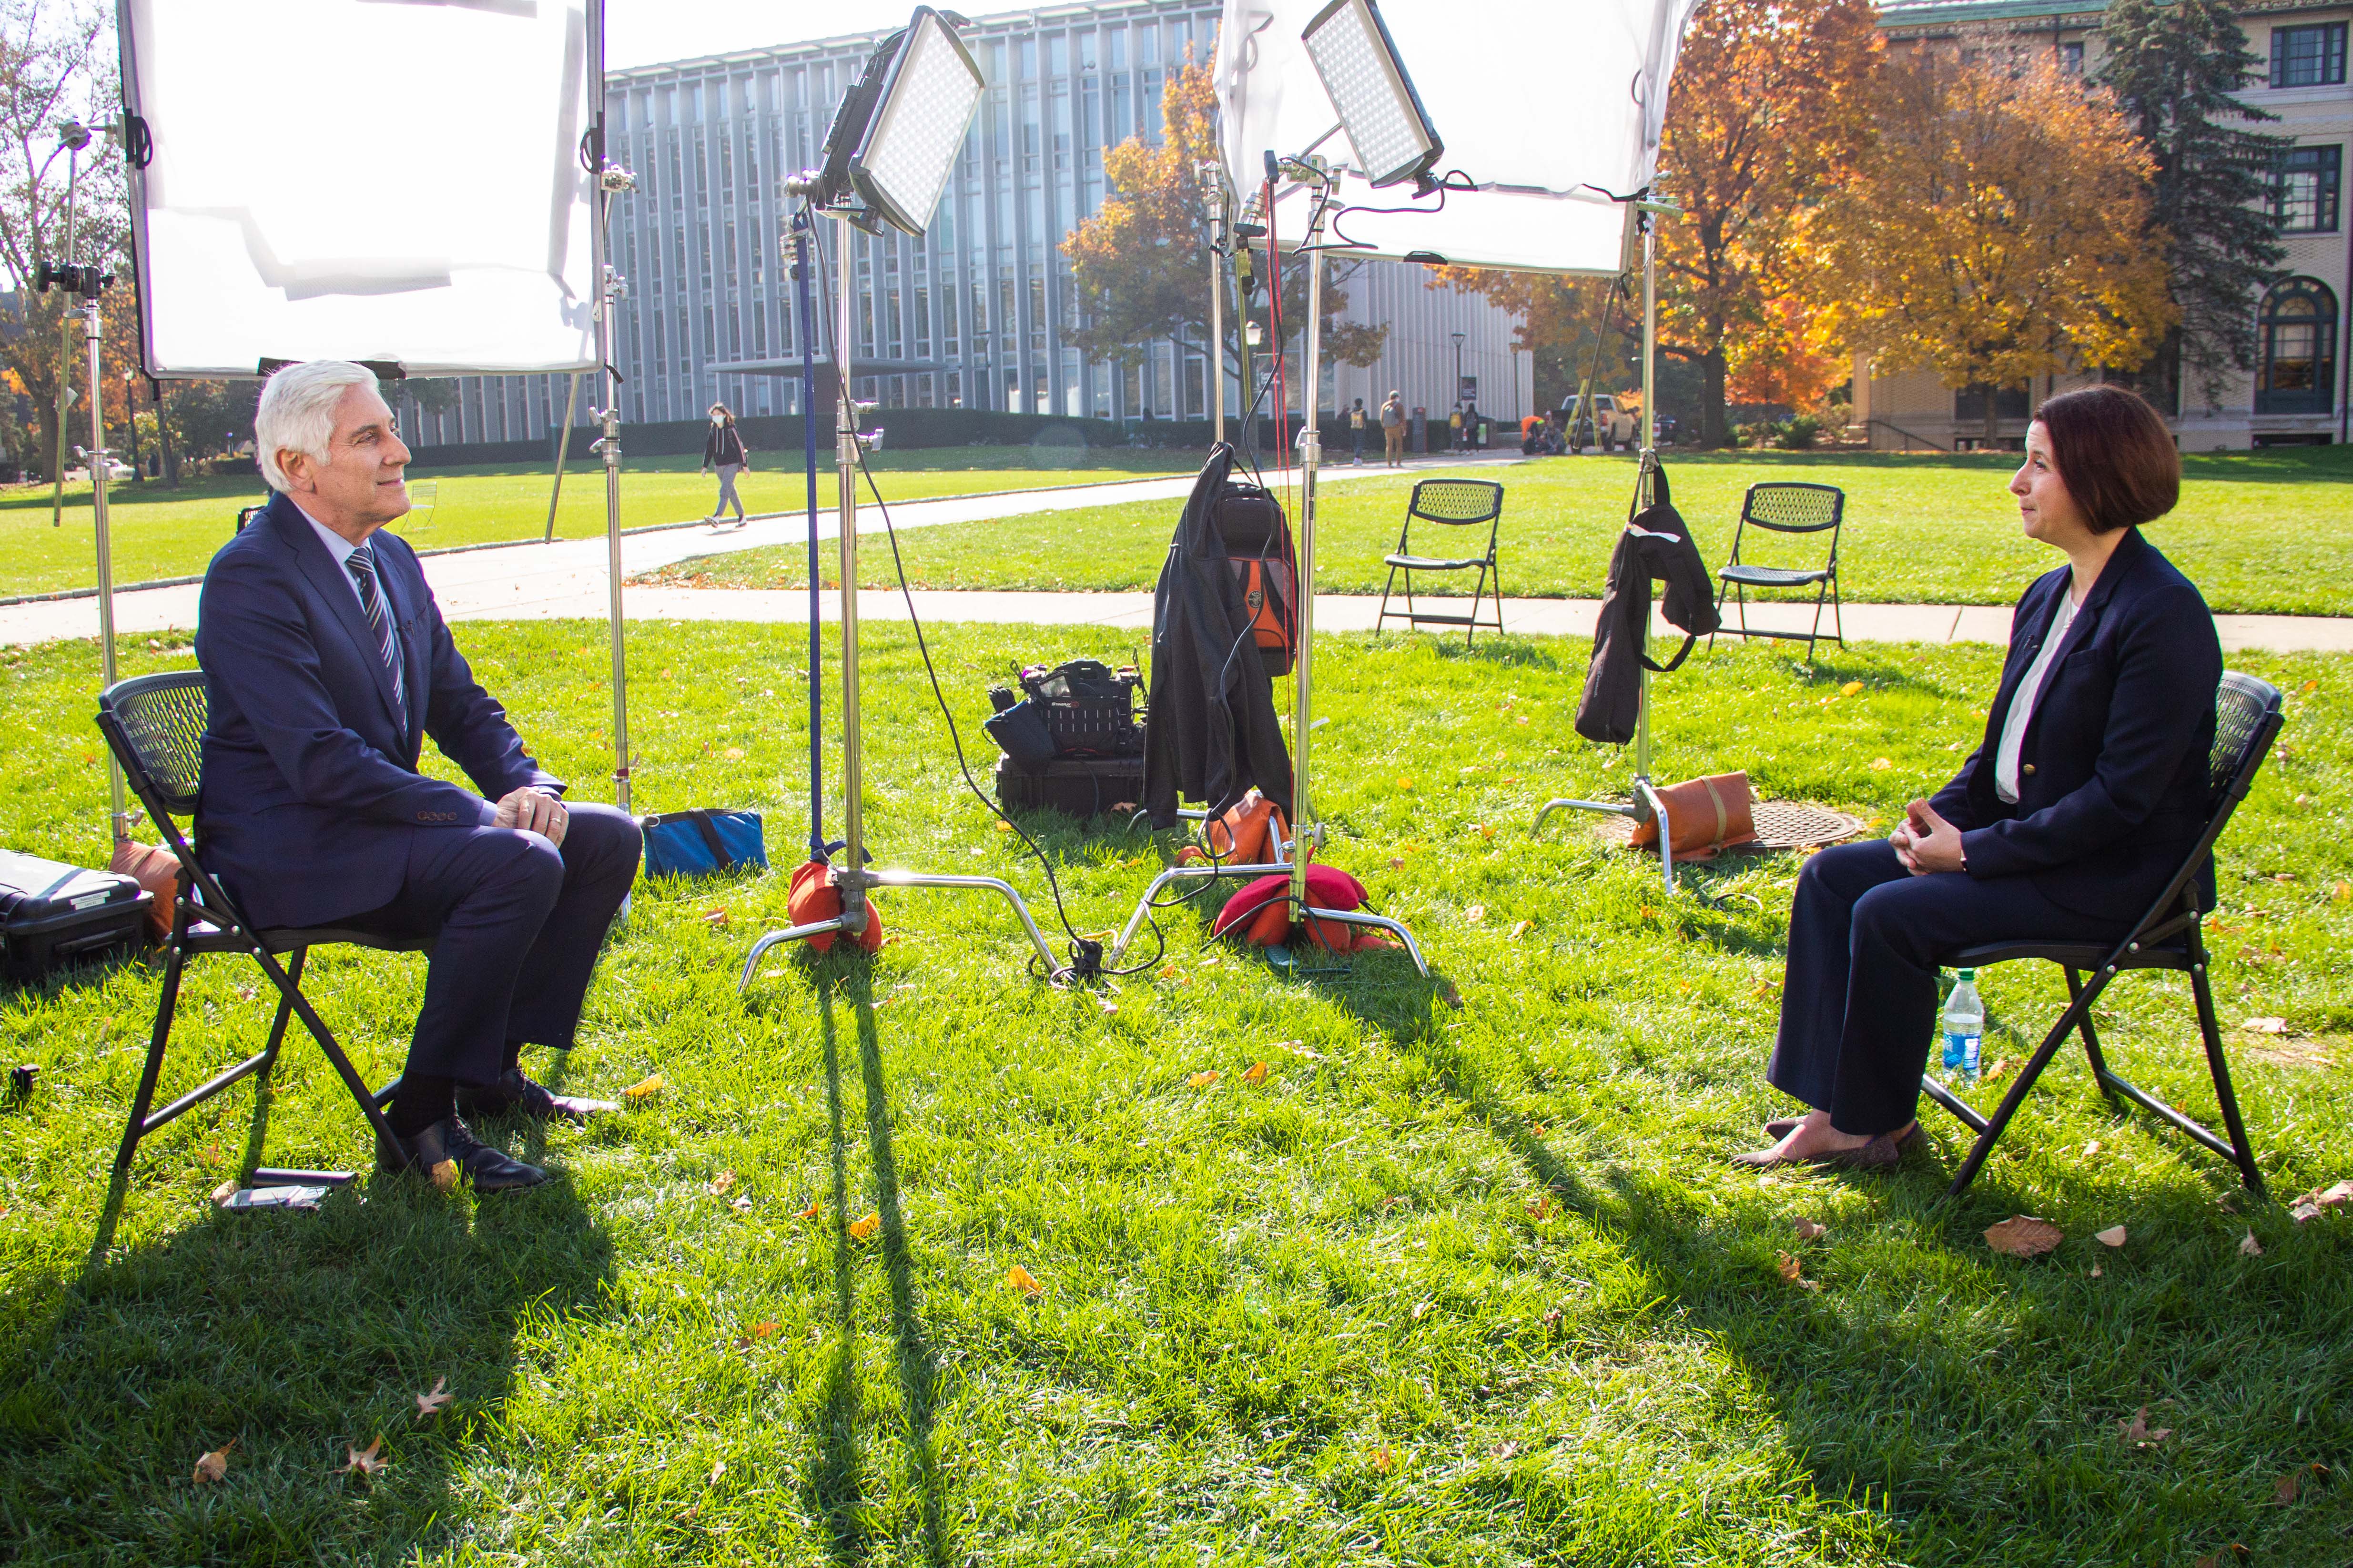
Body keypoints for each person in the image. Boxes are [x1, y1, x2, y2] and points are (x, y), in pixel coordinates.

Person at [1738, 386, 2220, 1169]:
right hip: (2037, 846)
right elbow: (2004, 754)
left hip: (2117, 878)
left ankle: (1870, 1127)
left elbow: (2119, 802)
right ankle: (1840, 1111)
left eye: (2037, 464)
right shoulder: (2048, 595)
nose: (2015, 482)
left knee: (1893, 914)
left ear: (2097, 478)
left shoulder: (2162, 614)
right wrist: (1937, 820)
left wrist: (1970, 854)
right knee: (1832, 877)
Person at [195, 360, 641, 1194]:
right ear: (299, 468)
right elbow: (318, 761)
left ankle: (489, 1073)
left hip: (369, 827)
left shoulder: (390, 559)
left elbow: (460, 705)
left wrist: (530, 787)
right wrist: (480, 813)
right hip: (292, 851)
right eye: (369, 437)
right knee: (518, 859)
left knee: (602, 836)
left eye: (391, 429)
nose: (400, 450)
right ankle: (418, 1121)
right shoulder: (251, 576)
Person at [701, 403, 751, 526]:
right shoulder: (713, 431)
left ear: (724, 415)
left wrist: (745, 465)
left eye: (718, 414)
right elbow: (709, 449)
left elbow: (740, 446)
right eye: (714, 415)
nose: (716, 417)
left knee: (724, 491)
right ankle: (742, 517)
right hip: (719, 466)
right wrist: (705, 466)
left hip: (732, 464)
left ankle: (717, 517)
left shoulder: (731, 429)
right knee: (731, 491)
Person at [1381, 390, 1405, 466]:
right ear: (1397, 397)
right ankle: (1398, 462)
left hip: (1388, 428)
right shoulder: (1399, 406)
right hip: (1397, 427)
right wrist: (1404, 429)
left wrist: (1384, 426)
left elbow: (1382, 418)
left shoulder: (1385, 405)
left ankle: (1389, 463)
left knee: (1389, 446)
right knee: (1399, 445)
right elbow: (1403, 418)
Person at [1348, 397, 1367, 465]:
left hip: (1353, 429)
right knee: (1360, 444)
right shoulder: (1363, 411)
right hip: (1361, 429)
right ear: (1361, 403)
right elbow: (1366, 421)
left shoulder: (1352, 412)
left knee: (1355, 444)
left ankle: (1358, 459)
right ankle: (1357, 458)